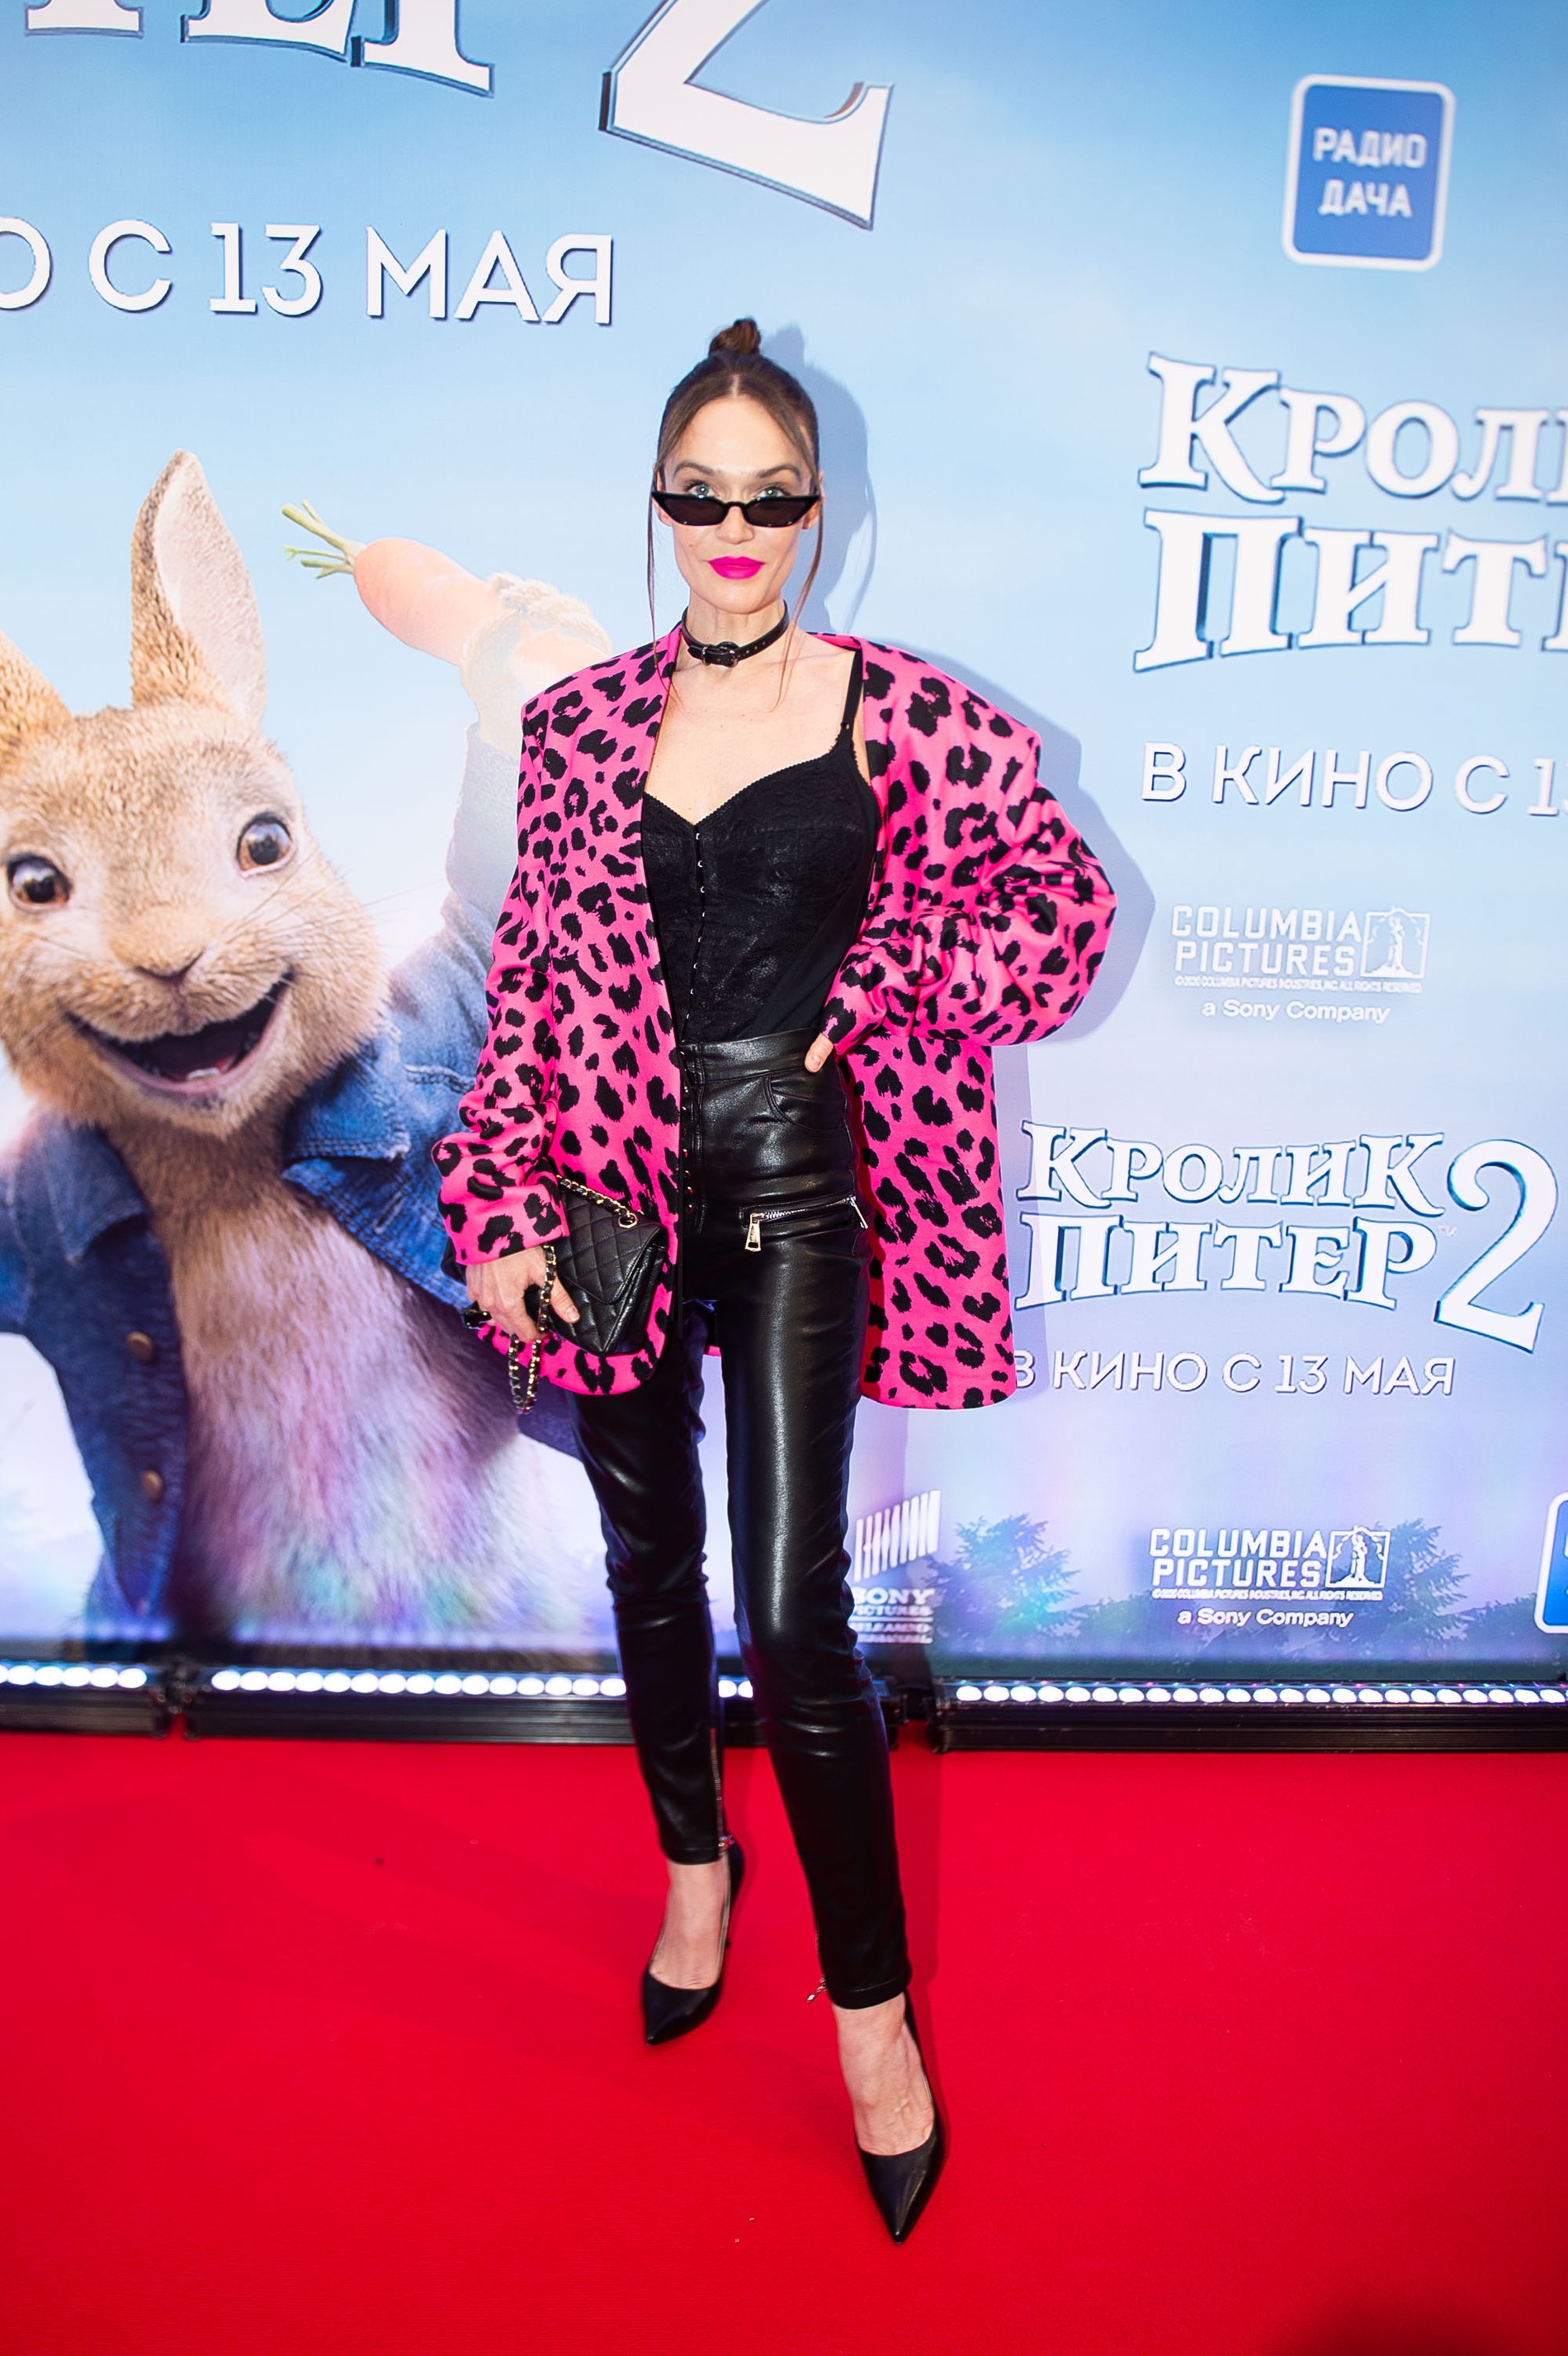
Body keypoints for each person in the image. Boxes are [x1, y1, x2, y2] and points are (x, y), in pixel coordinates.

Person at [435, 319, 1116, 2241]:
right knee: (644, 1554)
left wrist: (888, 981)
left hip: (805, 1192)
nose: (732, 530)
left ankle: (870, 2018)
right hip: (606, 1189)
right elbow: (528, 990)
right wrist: (495, 1207)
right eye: (698, 496)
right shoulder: (577, 729)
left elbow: (1059, 918)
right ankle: (690, 1865)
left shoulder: (906, 714)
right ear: (657, 505)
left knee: (797, 1611)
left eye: (769, 498)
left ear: (818, 510)